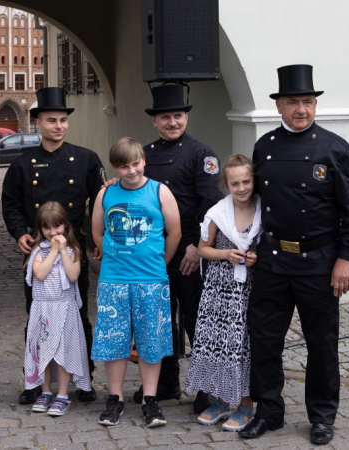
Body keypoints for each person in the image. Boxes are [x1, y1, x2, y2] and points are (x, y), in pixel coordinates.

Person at [238, 65, 349, 445]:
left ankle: (322, 417)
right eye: (293, 102)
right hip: (273, 261)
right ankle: (269, 412)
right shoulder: (265, 147)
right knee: (264, 340)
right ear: (278, 106)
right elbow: (252, 202)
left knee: (322, 343)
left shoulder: (334, 148)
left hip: (319, 263)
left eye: (308, 102)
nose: (301, 109)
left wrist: (345, 259)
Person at [2, 87, 105, 405]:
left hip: (73, 250)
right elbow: (11, 204)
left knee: (79, 315)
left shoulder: (86, 159)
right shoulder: (23, 164)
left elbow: (102, 201)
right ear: (38, 123)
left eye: (62, 120)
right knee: (36, 316)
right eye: (51, 120)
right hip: (38, 251)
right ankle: (34, 381)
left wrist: (100, 240)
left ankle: (83, 379)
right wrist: (19, 231)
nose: (58, 126)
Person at [133, 83, 223, 413]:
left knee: (197, 318)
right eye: (166, 117)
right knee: (158, 317)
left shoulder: (202, 154)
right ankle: (167, 380)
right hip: (152, 250)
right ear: (155, 121)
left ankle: (205, 386)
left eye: (179, 116)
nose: (173, 122)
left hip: (188, 247)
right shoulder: (143, 155)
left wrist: (197, 246)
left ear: (186, 117)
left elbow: (212, 205)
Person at [91, 137, 181, 428]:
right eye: (124, 166)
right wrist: (113, 256)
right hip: (114, 279)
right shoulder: (106, 195)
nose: (131, 171)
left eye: (136, 163)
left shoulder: (159, 191)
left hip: (151, 279)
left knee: (150, 340)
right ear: (115, 168)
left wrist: (159, 264)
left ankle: (150, 400)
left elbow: (175, 233)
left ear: (144, 160)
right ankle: (114, 399)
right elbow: (97, 230)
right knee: (114, 340)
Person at [184, 154, 261, 431]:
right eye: (235, 183)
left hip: (248, 289)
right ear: (225, 184)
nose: (241, 188)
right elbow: (203, 249)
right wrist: (225, 253)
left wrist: (254, 258)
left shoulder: (264, 210)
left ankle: (245, 404)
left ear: (254, 180)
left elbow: (267, 247)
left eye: (246, 181)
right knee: (217, 344)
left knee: (242, 346)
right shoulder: (218, 212)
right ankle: (219, 400)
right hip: (218, 288)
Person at [24, 202, 91, 417]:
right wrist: (53, 250)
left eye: (57, 227)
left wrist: (62, 251)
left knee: (63, 352)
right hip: (43, 309)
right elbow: (40, 274)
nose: (53, 232)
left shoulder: (74, 249)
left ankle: (63, 395)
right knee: (44, 351)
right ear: (40, 229)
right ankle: (45, 392)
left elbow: (73, 276)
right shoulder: (37, 251)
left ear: (66, 226)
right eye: (47, 228)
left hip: (65, 309)